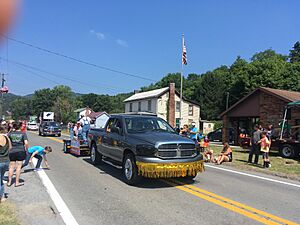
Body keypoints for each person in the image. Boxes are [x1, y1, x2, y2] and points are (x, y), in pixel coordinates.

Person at [7, 122, 29, 187]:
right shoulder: (23, 134)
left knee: (11, 167)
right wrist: (27, 150)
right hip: (20, 151)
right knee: (18, 167)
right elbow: (26, 143)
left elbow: (7, 140)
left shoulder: (10, 134)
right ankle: (17, 182)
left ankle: (9, 182)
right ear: (20, 127)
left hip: (12, 151)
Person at [0, 126, 12, 203]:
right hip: (6, 161)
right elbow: (10, 147)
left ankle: (1, 197)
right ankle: (2, 195)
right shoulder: (7, 137)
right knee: (1, 178)